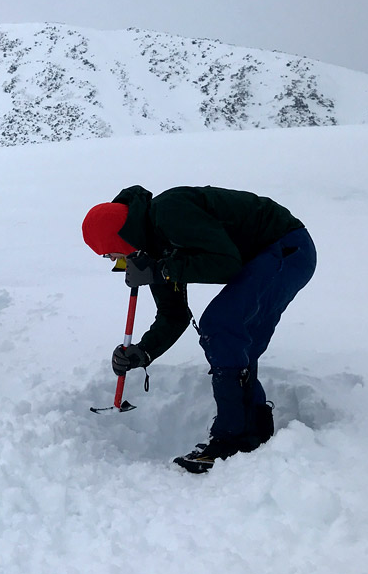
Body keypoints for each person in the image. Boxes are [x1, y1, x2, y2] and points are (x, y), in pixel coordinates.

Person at [81, 185, 317, 473]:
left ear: (125, 240)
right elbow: (174, 314)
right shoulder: (152, 250)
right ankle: (254, 425)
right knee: (238, 342)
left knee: (222, 324)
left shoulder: (170, 212)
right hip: (267, 256)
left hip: (286, 246)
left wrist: (163, 270)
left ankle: (232, 437)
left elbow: (226, 263)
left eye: (116, 257)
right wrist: (142, 353)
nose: (120, 266)